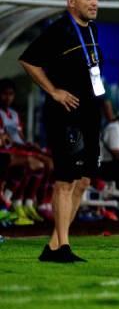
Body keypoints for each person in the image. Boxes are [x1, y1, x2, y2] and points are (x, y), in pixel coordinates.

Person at [18, 0, 104, 262]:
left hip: (90, 114)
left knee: (83, 180)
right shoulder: (59, 30)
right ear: (71, 2)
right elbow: (28, 60)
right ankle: (64, 246)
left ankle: (55, 246)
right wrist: (53, 91)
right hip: (67, 116)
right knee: (66, 180)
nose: (94, 3)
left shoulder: (91, 28)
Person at [0, 78, 52, 225]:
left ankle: (29, 203)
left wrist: (29, 145)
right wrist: (23, 146)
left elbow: (20, 137)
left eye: (11, 94)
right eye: (4, 94)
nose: (8, 97)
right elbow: (5, 140)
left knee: (49, 162)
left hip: (18, 148)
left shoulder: (14, 114)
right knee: (32, 163)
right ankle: (14, 203)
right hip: (8, 151)